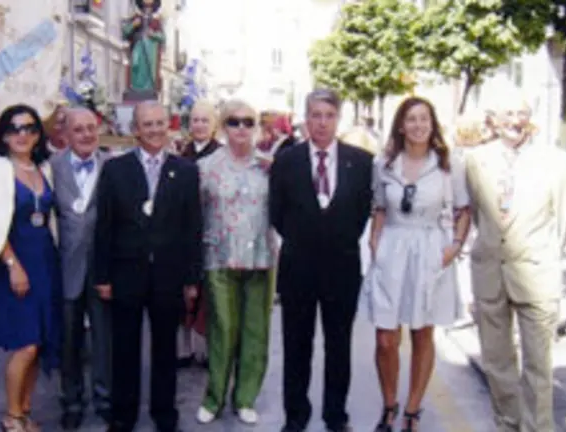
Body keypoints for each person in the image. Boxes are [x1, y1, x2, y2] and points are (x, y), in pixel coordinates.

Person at [360, 97, 471, 432]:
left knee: (423, 333)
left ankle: (411, 409)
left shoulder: (449, 164)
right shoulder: (383, 163)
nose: (418, 125)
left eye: (424, 119)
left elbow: (463, 210)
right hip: (392, 247)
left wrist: (452, 248)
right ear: (401, 125)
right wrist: (376, 244)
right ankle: (389, 403)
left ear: (432, 124)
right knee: (385, 337)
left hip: (430, 249)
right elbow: (379, 206)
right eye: (411, 119)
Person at [465, 97, 566, 432]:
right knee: (497, 362)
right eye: (508, 112)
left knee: (538, 364)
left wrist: (546, 255)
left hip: (537, 272)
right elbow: (478, 214)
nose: (515, 119)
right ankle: (508, 425)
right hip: (490, 271)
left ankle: (537, 428)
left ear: (531, 118)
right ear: (494, 120)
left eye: (521, 112)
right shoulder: (475, 160)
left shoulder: (557, 162)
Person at [269, 88, 374, 432]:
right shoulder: (286, 161)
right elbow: (277, 213)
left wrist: (334, 237)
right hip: (298, 267)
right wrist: (307, 237)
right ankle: (295, 416)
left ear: (338, 119)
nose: (322, 123)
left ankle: (335, 415)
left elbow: (361, 215)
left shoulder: (360, 162)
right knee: (296, 347)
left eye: (329, 116)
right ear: (306, 118)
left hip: (342, 268)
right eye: (316, 115)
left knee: (338, 347)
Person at [95, 100, 202, 432]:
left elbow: (192, 227)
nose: (155, 130)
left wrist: (191, 278)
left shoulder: (185, 170)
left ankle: (164, 412)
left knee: (165, 348)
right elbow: (105, 226)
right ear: (135, 130)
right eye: (148, 125)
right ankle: (123, 414)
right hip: (126, 273)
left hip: (168, 275)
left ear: (168, 126)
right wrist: (102, 276)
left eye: (160, 123)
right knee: (124, 347)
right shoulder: (115, 170)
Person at [0, 104, 61, 432]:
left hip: (45, 260)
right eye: (16, 128)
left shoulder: (43, 168)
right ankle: (10, 415)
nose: (24, 135)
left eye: (31, 128)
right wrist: (11, 263)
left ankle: (25, 409)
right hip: (11, 262)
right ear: (4, 134)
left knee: (41, 341)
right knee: (26, 343)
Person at [194, 100, 275, 426]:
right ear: (223, 127)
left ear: (256, 127)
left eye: (247, 122)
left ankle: (245, 397)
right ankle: (214, 397)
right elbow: (195, 214)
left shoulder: (268, 166)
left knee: (255, 330)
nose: (241, 129)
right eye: (233, 122)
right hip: (219, 256)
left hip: (260, 258)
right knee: (223, 330)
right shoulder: (206, 167)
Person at [51, 107, 112, 429]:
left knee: (104, 339)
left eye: (91, 128)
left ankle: (104, 398)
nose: (87, 135)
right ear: (66, 135)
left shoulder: (112, 166)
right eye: (79, 130)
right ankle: (71, 400)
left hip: (102, 269)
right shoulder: (52, 167)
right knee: (69, 340)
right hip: (66, 268)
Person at [177, 99, 220, 368]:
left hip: (213, 230)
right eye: (195, 120)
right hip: (183, 232)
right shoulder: (181, 155)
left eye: (205, 120)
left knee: (209, 293)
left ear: (214, 125)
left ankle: (207, 347)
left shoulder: (221, 156)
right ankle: (183, 347)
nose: (200, 125)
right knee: (183, 291)